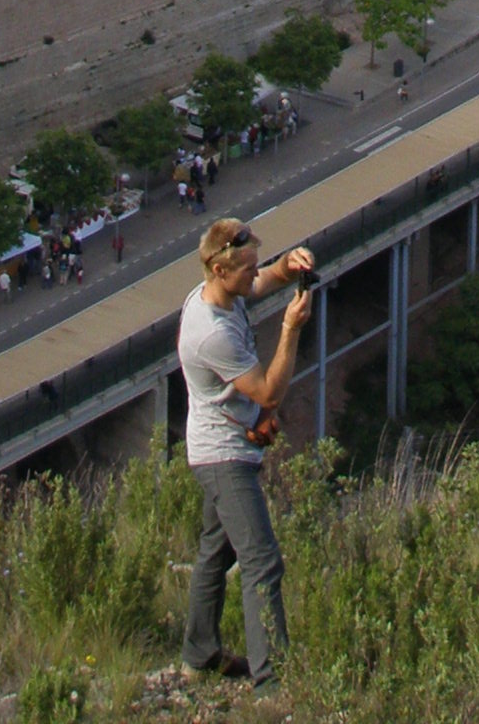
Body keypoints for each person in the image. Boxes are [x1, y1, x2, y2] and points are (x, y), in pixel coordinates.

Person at [180, 218, 314, 688]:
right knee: (261, 560)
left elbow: (260, 281)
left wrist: (286, 266)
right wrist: (290, 328)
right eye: (247, 269)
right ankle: (270, 683)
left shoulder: (221, 293)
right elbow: (269, 394)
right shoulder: (211, 332)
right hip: (223, 458)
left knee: (215, 553)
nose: (254, 275)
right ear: (220, 269)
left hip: (224, 442)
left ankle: (199, 655)